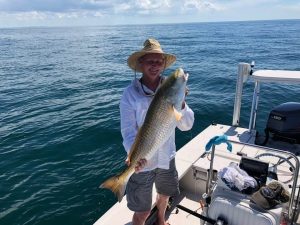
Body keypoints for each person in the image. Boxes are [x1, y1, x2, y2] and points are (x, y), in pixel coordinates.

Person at [120, 38, 194, 225]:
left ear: (163, 65)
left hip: (166, 157)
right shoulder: (130, 94)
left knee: (164, 195)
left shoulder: (171, 89)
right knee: (142, 211)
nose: (155, 65)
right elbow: (128, 131)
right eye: (150, 61)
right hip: (142, 162)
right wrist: (133, 154)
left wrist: (182, 103)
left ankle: (161, 220)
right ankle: (121, 184)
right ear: (141, 64)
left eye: (159, 61)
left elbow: (186, 126)